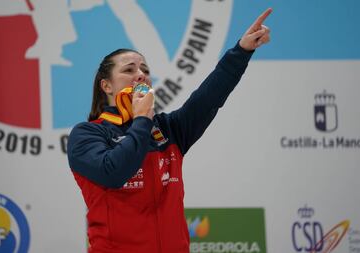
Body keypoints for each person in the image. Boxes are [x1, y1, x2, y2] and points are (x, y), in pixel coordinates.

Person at [67, 8, 272, 253]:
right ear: (106, 85)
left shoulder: (168, 129)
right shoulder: (88, 135)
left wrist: (242, 50)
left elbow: (208, 98)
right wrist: (141, 119)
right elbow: (114, 173)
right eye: (129, 70)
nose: (140, 75)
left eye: (145, 70)